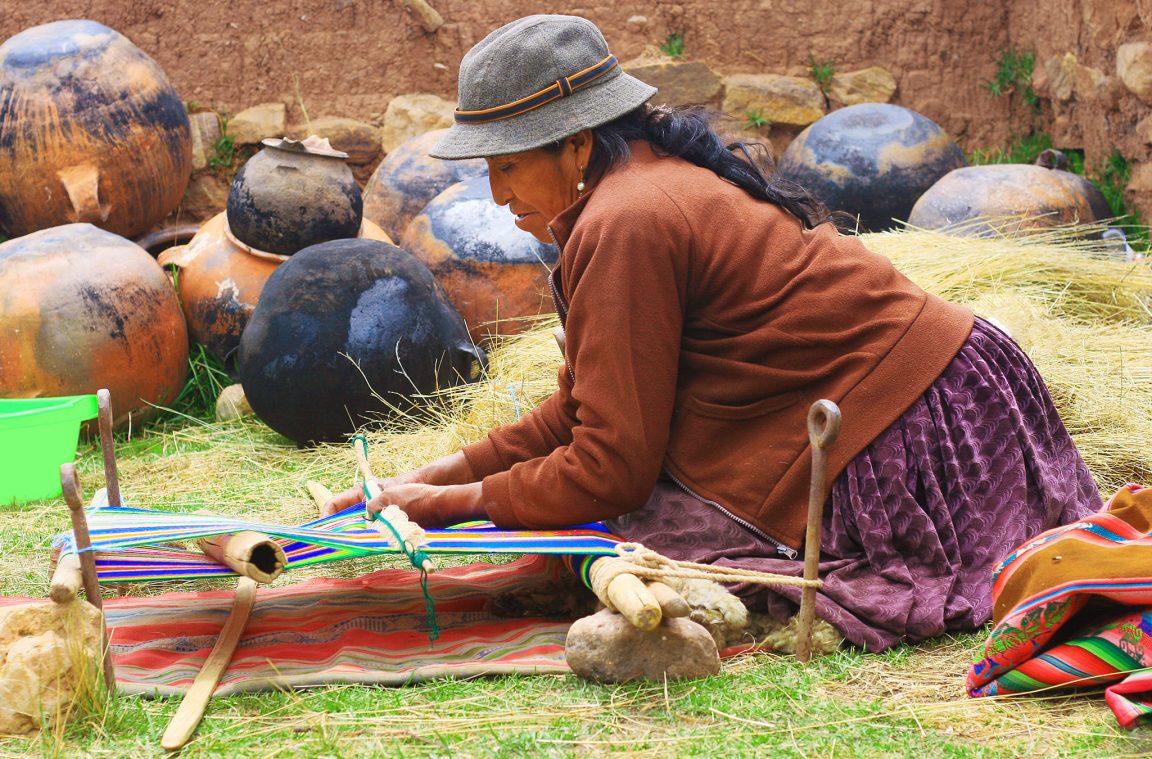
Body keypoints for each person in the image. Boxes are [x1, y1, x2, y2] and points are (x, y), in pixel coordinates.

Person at [325, 14, 1101, 651]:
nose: (497, 196)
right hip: (959, 386)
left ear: (577, 145)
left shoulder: (628, 219)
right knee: (573, 523)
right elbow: (583, 410)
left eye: (508, 167)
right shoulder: (638, 185)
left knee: (613, 534)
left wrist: (457, 504)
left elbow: (610, 471)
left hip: (920, 434)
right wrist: (434, 475)